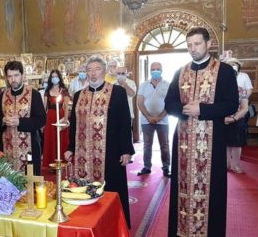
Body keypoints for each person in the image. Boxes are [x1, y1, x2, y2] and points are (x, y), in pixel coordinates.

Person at [165, 27, 239, 237]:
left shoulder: (224, 71)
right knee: (182, 185)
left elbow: (231, 104)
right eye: (189, 45)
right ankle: (181, 233)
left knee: (212, 187)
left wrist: (203, 110)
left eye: (197, 44)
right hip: (184, 142)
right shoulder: (180, 72)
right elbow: (169, 103)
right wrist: (184, 109)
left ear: (208, 44)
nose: (192, 48)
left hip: (212, 140)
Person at [64, 55, 134, 228]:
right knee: (84, 187)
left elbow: (125, 122)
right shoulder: (79, 95)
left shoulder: (117, 92)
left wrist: (126, 149)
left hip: (110, 150)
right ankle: (87, 223)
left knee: (112, 188)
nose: (93, 73)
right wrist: (71, 147)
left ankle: (115, 224)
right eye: (89, 70)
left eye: (97, 69)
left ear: (104, 71)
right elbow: (74, 124)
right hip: (84, 153)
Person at [0, 61, 46, 174]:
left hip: (30, 149)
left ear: (22, 75)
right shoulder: (1, 97)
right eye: (10, 76)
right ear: (6, 77)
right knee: (8, 180)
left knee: (30, 179)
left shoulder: (34, 94)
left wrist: (20, 122)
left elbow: (41, 119)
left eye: (16, 75)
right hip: (7, 149)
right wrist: (3, 120)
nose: (13, 79)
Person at [137, 62, 171, 177]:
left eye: (157, 69)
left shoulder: (167, 85)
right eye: (153, 69)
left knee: (164, 145)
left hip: (163, 121)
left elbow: (170, 103)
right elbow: (139, 103)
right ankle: (147, 167)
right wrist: (149, 117)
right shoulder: (144, 85)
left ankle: (166, 168)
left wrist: (160, 117)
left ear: (162, 70)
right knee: (147, 145)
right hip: (146, 121)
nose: (155, 71)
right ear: (150, 71)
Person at [224, 58, 251, 174]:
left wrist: (234, 118)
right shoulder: (219, 89)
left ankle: (236, 165)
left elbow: (245, 108)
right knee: (225, 144)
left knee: (236, 144)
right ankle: (226, 165)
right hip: (222, 120)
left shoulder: (241, 90)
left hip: (237, 119)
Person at [42, 69, 70, 170]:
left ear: (59, 77)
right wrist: (43, 122)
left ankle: (62, 162)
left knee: (61, 139)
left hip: (61, 116)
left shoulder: (64, 90)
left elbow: (66, 106)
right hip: (50, 117)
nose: (55, 78)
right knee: (50, 139)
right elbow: (44, 107)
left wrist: (65, 120)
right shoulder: (47, 91)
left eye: (56, 76)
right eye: (53, 76)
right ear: (50, 78)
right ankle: (51, 162)